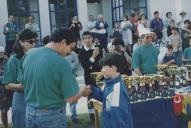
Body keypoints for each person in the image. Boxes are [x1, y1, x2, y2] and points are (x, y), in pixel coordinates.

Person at [17, 28, 83, 128]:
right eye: (71, 48)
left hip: (30, 112)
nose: (69, 53)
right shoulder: (62, 62)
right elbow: (71, 98)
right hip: (52, 116)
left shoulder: (29, 54)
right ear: (63, 42)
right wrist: (82, 90)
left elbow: (23, 83)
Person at [82, 53, 133, 128]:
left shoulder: (117, 91)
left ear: (113, 68)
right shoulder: (108, 84)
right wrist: (91, 90)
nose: (102, 70)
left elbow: (118, 120)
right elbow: (103, 95)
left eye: (104, 67)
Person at [3, 29, 38, 128]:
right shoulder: (13, 60)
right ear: (21, 42)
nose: (34, 44)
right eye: (31, 42)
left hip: (38, 97)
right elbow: (7, 85)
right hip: (21, 98)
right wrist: (24, 86)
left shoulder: (37, 56)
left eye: (35, 41)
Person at [78, 31, 102, 124]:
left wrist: (91, 64)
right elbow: (85, 66)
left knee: (101, 95)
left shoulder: (98, 48)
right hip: (88, 78)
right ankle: (92, 118)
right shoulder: (81, 52)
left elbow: (100, 64)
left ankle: (103, 114)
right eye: (85, 38)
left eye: (89, 37)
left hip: (99, 76)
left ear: (92, 38)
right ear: (83, 40)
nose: (87, 40)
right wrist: (93, 56)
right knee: (90, 97)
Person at [65, 50, 80, 123]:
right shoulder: (57, 52)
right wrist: (70, 65)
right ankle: (62, 118)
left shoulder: (73, 53)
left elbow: (76, 64)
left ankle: (74, 117)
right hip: (61, 80)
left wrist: (66, 67)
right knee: (61, 100)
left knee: (74, 98)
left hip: (71, 79)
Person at [0, 46, 12, 128]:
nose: (1, 55)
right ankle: (5, 126)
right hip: (2, 89)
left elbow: (10, 73)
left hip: (8, 89)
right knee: (3, 110)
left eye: (2, 53)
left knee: (7, 110)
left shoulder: (8, 60)